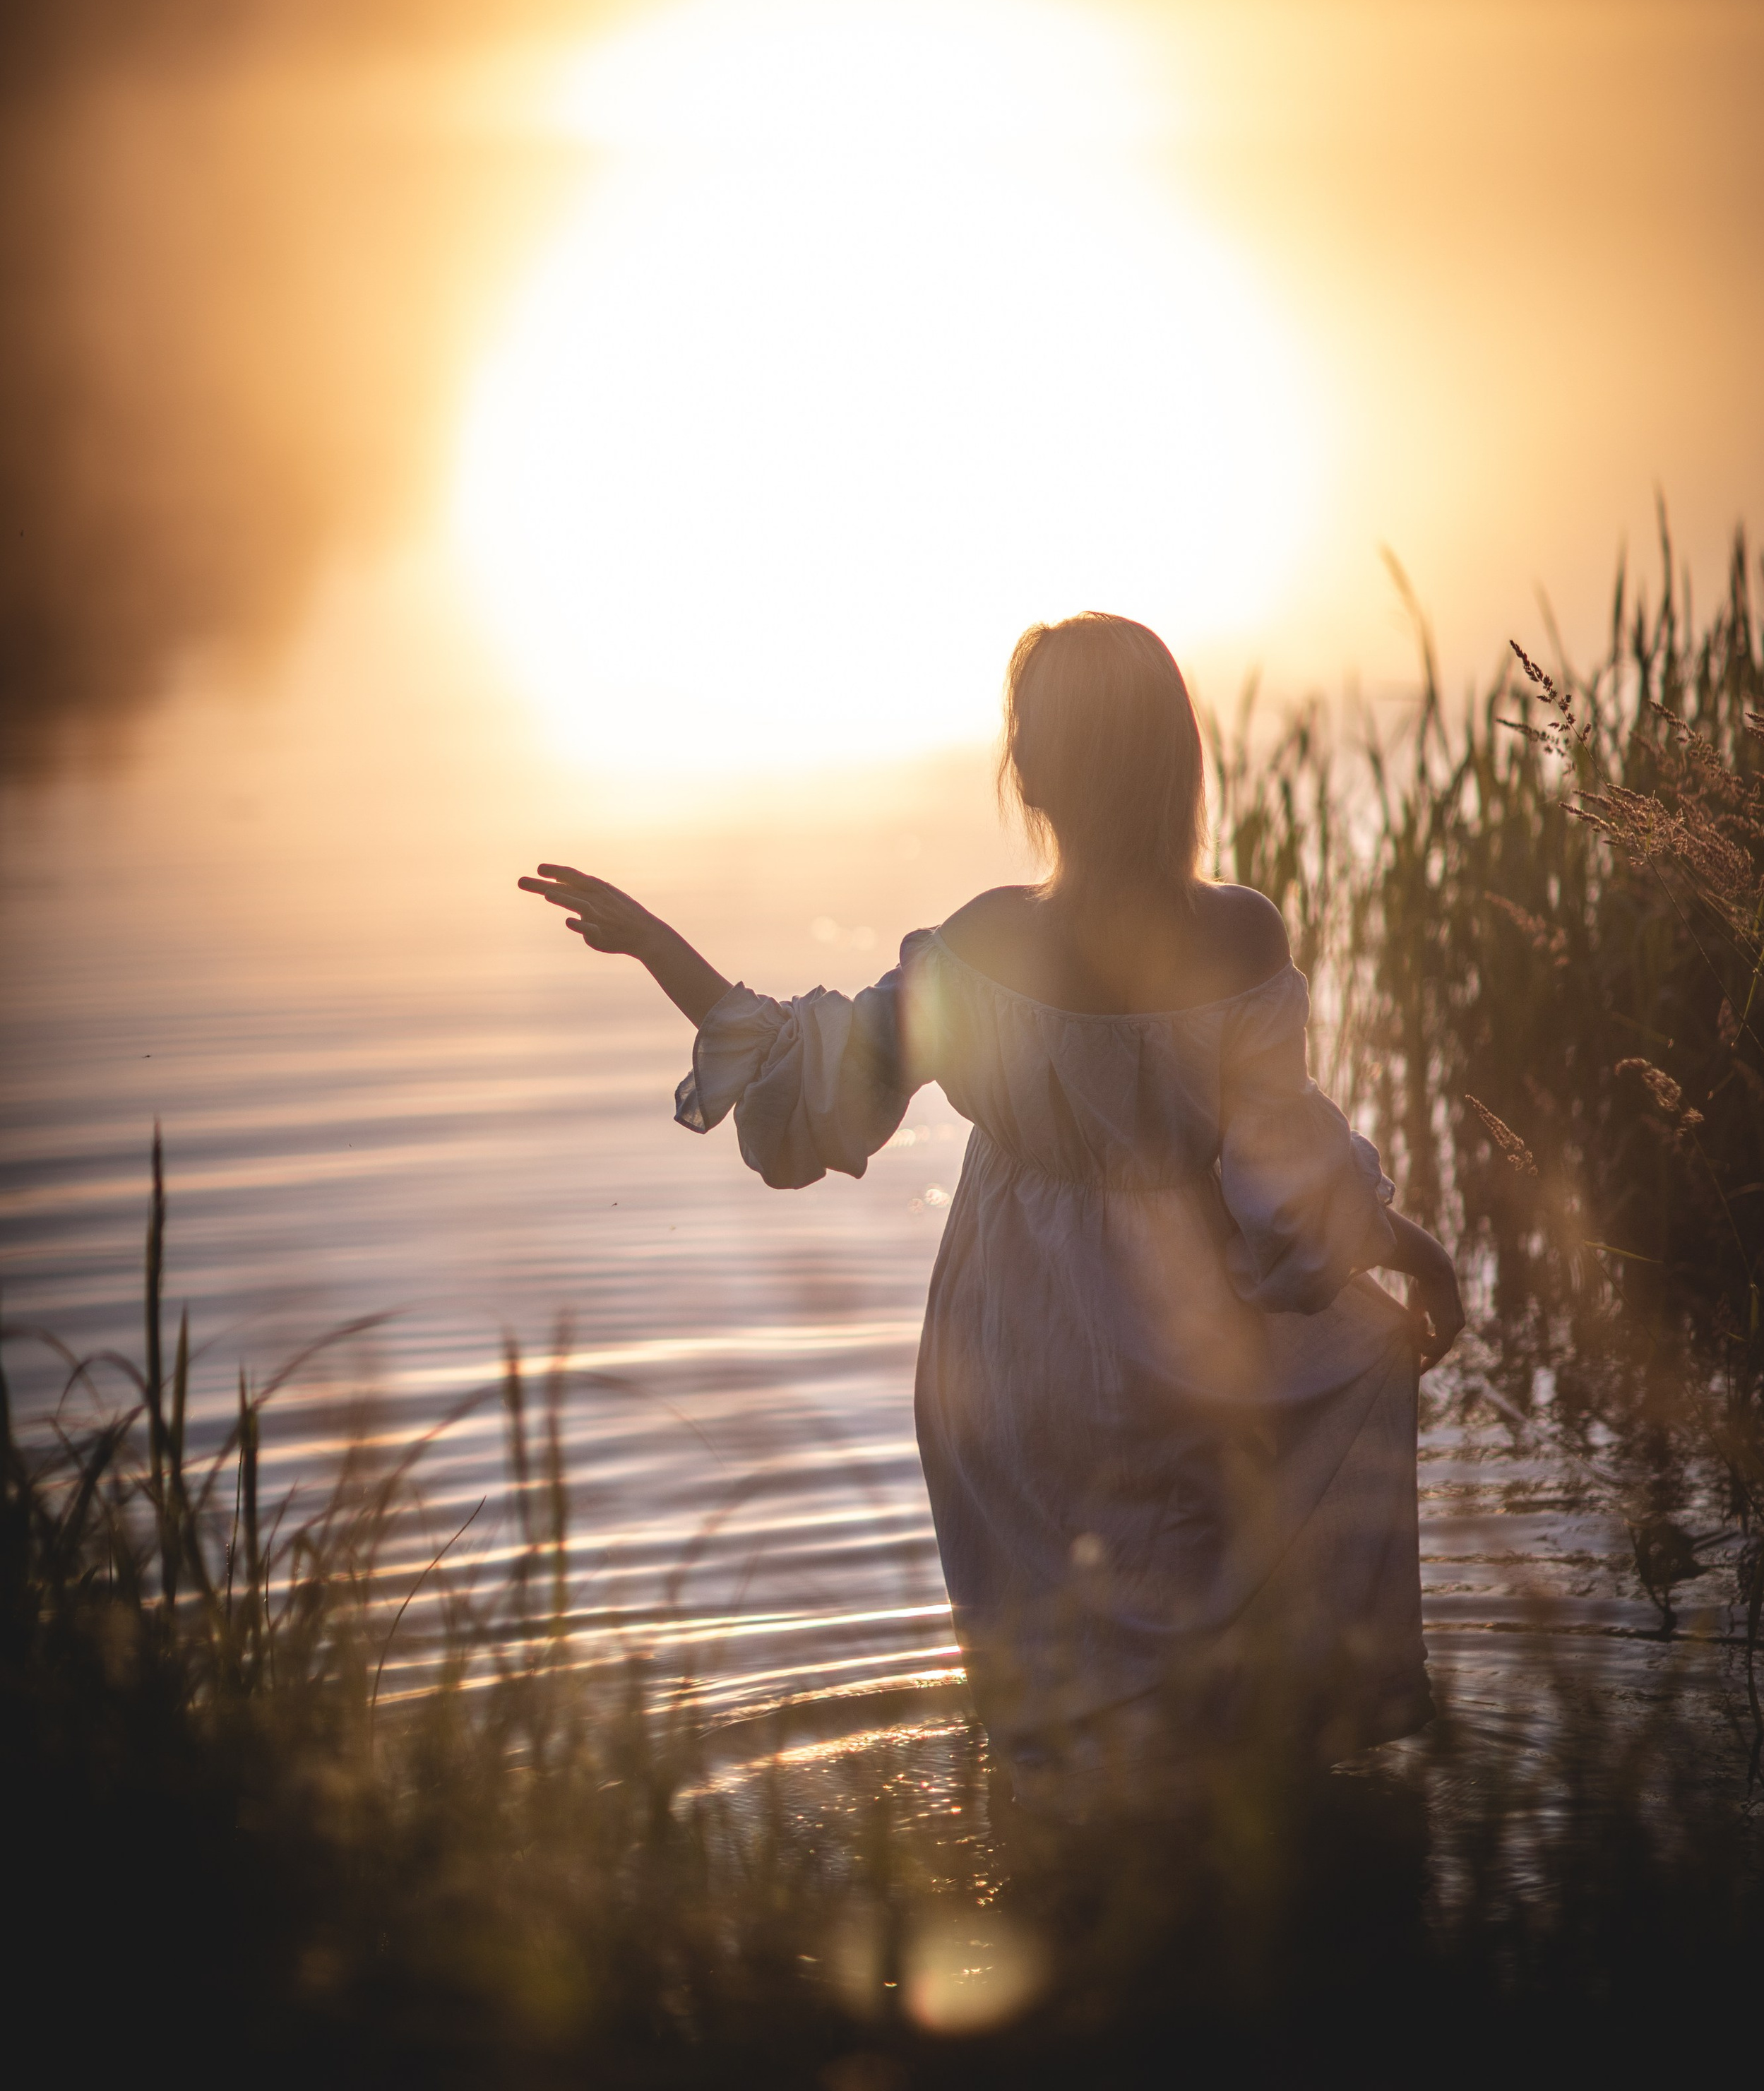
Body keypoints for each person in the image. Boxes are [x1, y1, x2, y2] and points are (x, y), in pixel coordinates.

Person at [519, 613, 1463, 1780]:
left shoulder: (983, 949)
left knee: (1066, 1707)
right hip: (1199, 1338)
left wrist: (663, 947)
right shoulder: (1239, 932)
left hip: (1018, 1347)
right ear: (1176, 762)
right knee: (1220, 1703)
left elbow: (813, 1093)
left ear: (1040, 773)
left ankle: (1061, 1894)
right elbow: (1284, 1179)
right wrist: (1412, 1250)